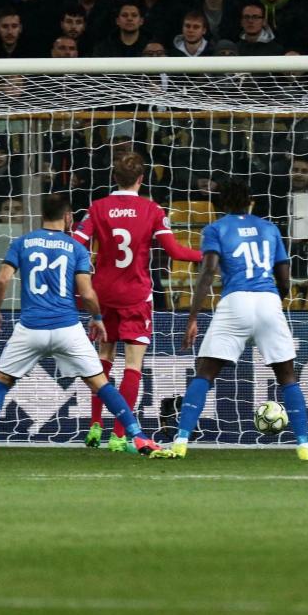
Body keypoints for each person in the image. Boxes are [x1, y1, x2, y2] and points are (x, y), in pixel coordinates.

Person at [0, 194, 173, 458]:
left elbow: (2, 280)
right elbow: (86, 293)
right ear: (67, 218)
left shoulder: (22, 242)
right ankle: (140, 437)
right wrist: (97, 319)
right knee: (101, 384)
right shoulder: (76, 248)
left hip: (31, 328)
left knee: (2, 381)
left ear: (42, 216)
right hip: (67, 328)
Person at [168, 179, 308, 461]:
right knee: (287, 376)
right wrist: (277, 300)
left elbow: (208, 272)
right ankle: (304, 447)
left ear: (221, 204)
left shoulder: (215, 229)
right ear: (250, 201)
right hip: (267, 300)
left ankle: (180, 441)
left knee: (205, 372)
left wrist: (193, 316)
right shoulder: (269, 228)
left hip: (235, 301)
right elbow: (284, 277)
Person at [74, 152, 203, 453]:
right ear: (142, 179)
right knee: (133, 364)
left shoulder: (97, 207)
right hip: (135, 295)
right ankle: (120, 435)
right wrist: (207, 256)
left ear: (113, 177)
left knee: (102, 360)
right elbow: (174, 252)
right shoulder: (152, 209)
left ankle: (95, 426)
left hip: (102, 293)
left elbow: (76, 244)